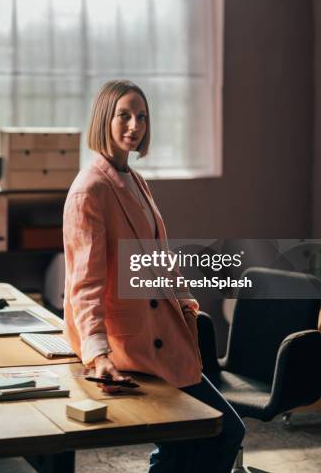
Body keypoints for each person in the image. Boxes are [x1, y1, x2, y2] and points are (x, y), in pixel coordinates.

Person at [63, 80, 245, 473]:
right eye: (124, 115)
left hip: (161, 332)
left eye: (141, 116)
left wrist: (185, 302)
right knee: (224, 431)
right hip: (131, 348)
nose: (135, 125)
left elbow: (159, 257)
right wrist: (97, 352)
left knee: (187, 445)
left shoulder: (131, 178)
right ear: (103, 119)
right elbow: (85, 283)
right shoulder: (90, 189)